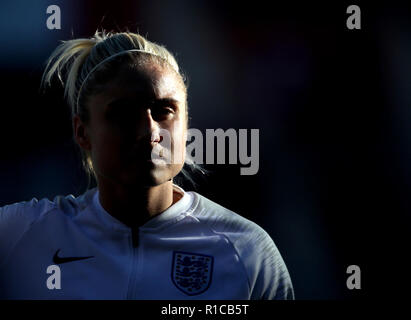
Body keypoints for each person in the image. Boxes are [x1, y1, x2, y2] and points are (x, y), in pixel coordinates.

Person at [0, 30, 294, 299]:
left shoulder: (247, 251)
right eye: (123, 113)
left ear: (186, 125)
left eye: (164, 110)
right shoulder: (18, 236)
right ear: (82, 132)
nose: (149, 132)